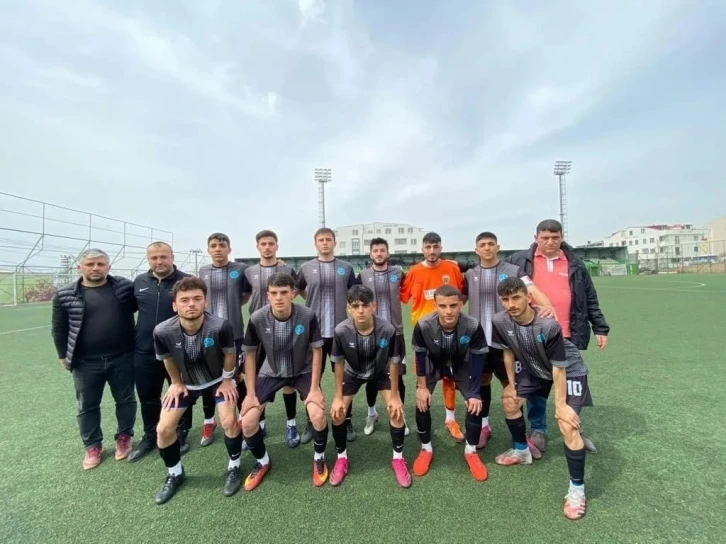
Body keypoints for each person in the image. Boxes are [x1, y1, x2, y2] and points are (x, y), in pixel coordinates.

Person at [489, 277, 592, 520]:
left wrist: (560, 406)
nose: (511, 304)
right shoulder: (499, 320)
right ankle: (521, 451)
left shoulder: (548, 325)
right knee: (510, 402)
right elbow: (508, 351)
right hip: (534, 367)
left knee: (566, 425)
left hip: (568, 369)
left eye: (516, 298)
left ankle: (577, 491)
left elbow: (559, 368)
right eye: (506, 299)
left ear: (528, 297)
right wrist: (511, 385)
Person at [504, 219, 609, 453]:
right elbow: (492, 266)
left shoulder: (575, 263)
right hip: (533, 335)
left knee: (572, 384)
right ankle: (538, 429)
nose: (550, 242)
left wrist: (600, 328)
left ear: (561, 237)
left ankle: (573, 428)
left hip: (567, 334)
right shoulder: (519, 260)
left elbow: (589, 297)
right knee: (537, 386)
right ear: (536, 238)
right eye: (545, 238)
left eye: (555, 237)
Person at [152, 277, 242, 504]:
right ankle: (175, 473)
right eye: (184, 300)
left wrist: (227, 380)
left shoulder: (220, 326)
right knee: (163, 429)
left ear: (205, 302)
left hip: (217, 380)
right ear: (175, 305)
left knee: (229, 421)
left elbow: (230, 354)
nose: (191, 304)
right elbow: (168, 359)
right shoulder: (162, 331)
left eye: (197, 298)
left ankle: (234, 466)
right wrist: (176, 383)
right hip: (187, 384)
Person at [462, 232, 554, 450]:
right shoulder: (469, 275)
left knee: (512, 387)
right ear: (476, 250)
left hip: (508, 344)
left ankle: (520, 436)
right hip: (479, 343)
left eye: (490, 244)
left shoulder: (513, 271)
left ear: (498, 247)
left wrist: (548, 305)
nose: (487, 248)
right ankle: (484, 426)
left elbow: (531, 289)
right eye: (482, 245)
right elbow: (458, 300)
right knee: (482, 382)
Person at [239, 273, 329, 490]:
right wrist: (250, 394)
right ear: (268, 295)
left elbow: (317, 351)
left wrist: (315, 388)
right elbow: (250, 355)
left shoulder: (307, 315)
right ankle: (262, 462)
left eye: (283, 292)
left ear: (293, 294)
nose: (279, 297)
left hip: (302, 371)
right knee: (248, 421)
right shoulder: (257, 318)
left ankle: (319, 457)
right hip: (271, 372)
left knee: (317, 415)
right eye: (274, 293)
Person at [51, 248, 137, 470]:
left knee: (126, 400)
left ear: (109, 267)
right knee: (87, 405)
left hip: (122, 357)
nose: (95, 268)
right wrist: (62, 355)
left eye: (100, 264)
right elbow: (59, 328)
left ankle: (124, 437)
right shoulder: (64, 295)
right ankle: (92, 445)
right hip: (85, 362)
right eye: (90, 264)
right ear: (80, 267)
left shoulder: (124, 288)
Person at [328, 285, 411, 488]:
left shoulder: (387, 330)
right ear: (348, 308)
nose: (361, 310)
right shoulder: (341, 331)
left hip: (380, 372)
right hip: (353, 373)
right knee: (338, 413)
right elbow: (338, 364)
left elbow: (394, 363)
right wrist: (338, 397)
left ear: (374, 306)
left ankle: (398, 459)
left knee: (396, 412)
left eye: (365, 305)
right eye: (355, 306)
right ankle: (341, 459)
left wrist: (395, 395)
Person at [411, 284, 488, 481]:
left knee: (475, 404)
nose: (448, 311)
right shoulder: (423, 325)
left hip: (461, 364)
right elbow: (419, 356)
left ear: (461, 304)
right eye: (443, 306)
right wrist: (421, 387)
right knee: (421, 402)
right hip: (433, 364)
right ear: (435, 305)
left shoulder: (472, 325)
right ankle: (426, 448)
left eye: (453, 305)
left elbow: (478, 358)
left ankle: (471, 451)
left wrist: (474, 392)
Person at [129, 242, 191, 462]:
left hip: (178, 350)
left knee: (181, 392)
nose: (159, 261)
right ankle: (149, 436)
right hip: (145, 351)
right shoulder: (139, 282)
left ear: (172, 256)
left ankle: (181, 432)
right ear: (148, 259)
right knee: (147, 396)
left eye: (163, 256)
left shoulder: (186, 281)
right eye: (154, 258)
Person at [401, 232, 465, 442]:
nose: (431, 251)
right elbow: (403, 296)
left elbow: (461, 294)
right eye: (428, 247)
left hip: (450, 333)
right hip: (424, 336)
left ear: (441, 248)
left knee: (449, 377)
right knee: (423, 380)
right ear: (422, 249)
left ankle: (450, 419)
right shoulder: (413, 272)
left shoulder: (452, 269)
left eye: (435, 246)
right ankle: (423, 425)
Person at [295, 228, 357, 443]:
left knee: (346, 378)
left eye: (328, 239)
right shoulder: (306, 268)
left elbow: (354, 294)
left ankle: (346, 419)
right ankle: (312, 420)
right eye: (320, 240)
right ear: (315, 243)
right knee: (311, 379)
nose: (324, 243)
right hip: (315, 334)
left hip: (341, 333)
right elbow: (297, 289)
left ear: (334, 243)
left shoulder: (346, 268)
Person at [244, 229, 301, 448]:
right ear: (257, 247)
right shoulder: (248, 271)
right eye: (263, 244)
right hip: (259, 331)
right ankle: (260, 422)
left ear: (277, 246)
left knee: (288, 378)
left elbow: (297, 290)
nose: (267, 247)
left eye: (271, 243)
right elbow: (244, 295)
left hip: (285, 329)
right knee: (258, 376)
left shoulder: (287, 269)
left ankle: (291, 423)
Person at [198, 233, 253, 447]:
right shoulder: (203, 271)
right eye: (213, 246)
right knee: (208, 376)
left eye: (222, 245)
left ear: (229, 249)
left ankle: (243, 417)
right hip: (208, 335)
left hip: (234, 334)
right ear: (208, 250)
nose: (218, 249)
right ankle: (209, 421)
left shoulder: (240, 269)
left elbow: (246, 294)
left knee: (236, 376)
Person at [357, 237, 409, 436]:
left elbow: (414, 285)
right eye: (375, 251)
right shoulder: (362, 275)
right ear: (370, 254)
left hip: (396, 333)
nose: (379, 254)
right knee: (371, 376)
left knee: (399, 377)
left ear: (388, 253)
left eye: (382, 250)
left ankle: (400, 414)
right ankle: (371, 413)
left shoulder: (399, 273)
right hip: (370, 334)